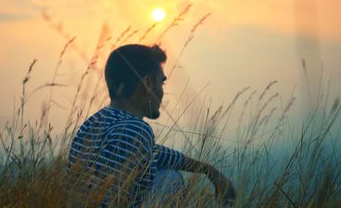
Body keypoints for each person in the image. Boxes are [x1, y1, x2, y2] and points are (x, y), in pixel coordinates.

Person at [66, 44, 236, 207]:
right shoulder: (135, 130)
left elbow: (156, 153)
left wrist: (208, 170)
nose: (162, 91)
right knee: (170, 179)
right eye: (161, 82)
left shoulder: (97, 122)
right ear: (147, 84)